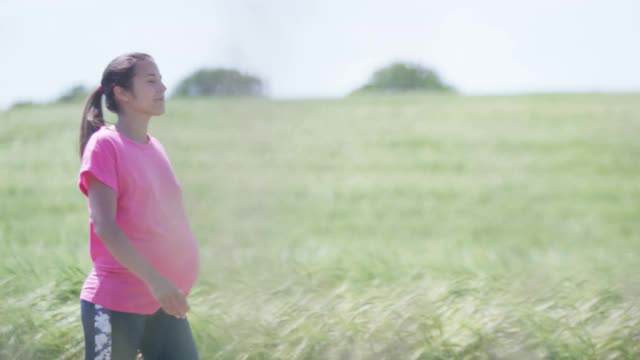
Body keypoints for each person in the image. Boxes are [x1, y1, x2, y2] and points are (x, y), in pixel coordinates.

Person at [77, 52, 200, 359]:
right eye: (151, 80)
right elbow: (106, 226)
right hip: (115, 304)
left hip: (162, 303)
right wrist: (158, 282)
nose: (163, 88)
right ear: (122, 93)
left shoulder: (155, 146)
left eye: (160, 79)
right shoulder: (106, 145)